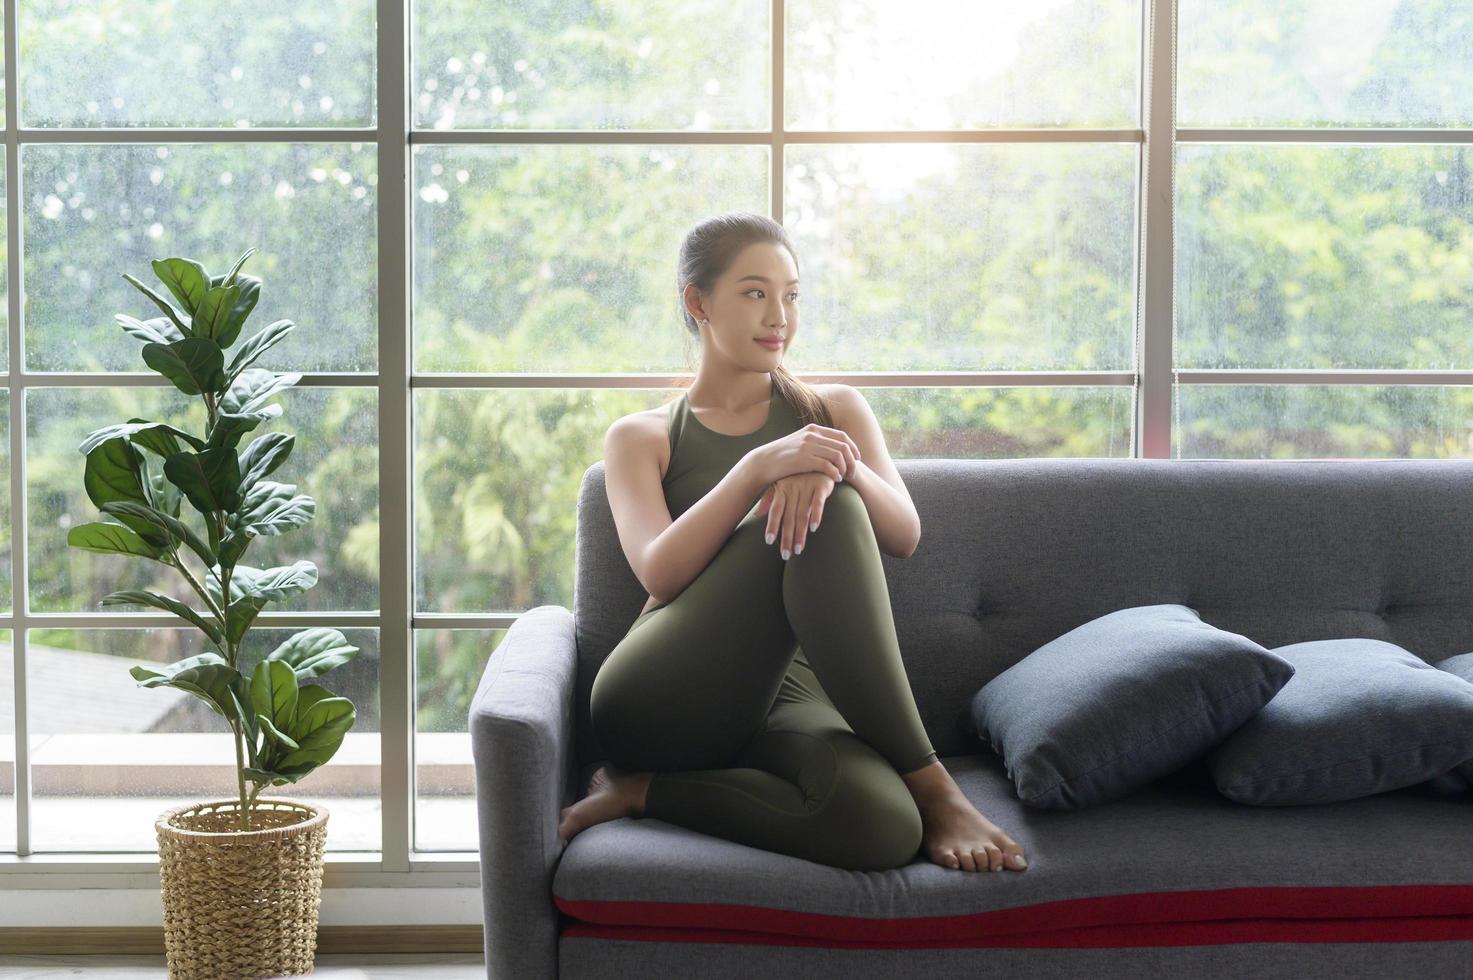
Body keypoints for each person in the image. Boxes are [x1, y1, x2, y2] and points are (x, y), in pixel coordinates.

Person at [557, 211, 1028, 874]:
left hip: (793, 697)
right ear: (697, 303)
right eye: (754, 292)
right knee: (824, 502)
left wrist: (833, 461)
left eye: (791, 294)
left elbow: (903, 532)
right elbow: (659, 572)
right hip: (669, 690)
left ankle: (638, 794)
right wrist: (760, 467)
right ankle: (935, 786)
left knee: (884, 829)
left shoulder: (832, 411)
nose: (778, 314)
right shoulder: (641, 437)